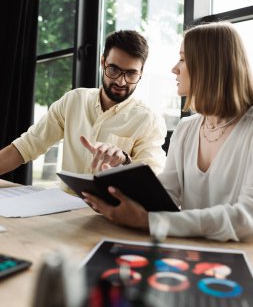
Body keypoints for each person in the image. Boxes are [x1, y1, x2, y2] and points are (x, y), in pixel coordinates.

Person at [82, 21, 253, 242]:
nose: (174, 68)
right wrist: (114, 195)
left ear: (208, 66)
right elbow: (166, 195)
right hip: (187, 252)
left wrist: (147, 221)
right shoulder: (186, 129)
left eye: (182, 59)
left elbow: (246, 219)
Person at [0, 30, 166, 190]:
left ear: (141, 72)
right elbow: (26, 147)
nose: (121, 82)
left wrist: (124, 162)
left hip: (110, 213)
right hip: (63, 207)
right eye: (114, 70)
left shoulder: (149, 121)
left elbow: (153, 182)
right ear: (103, 62)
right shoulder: (73, 101)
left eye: (131, 74)